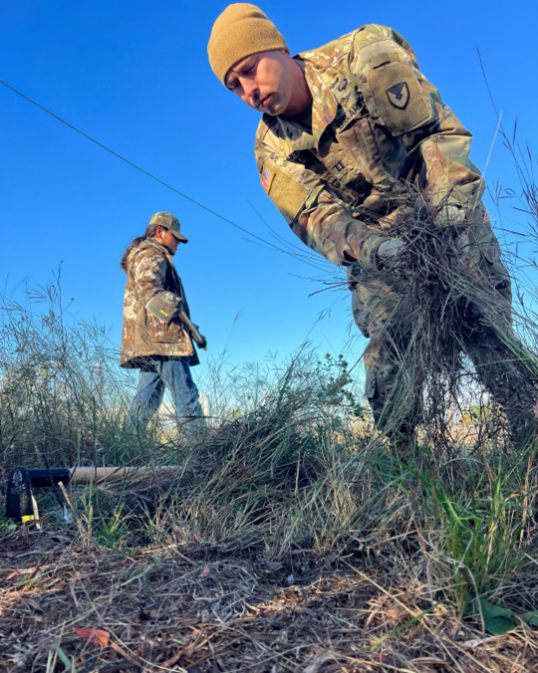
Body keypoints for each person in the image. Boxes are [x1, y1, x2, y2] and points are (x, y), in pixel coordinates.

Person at [207, 4, 537, 447]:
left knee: (485, 326)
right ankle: (406, 467)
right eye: (234, 86)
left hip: (440, 203)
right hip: (376, 247)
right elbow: (321, 220)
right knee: (389, 357)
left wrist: (449, 216)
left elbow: (436, 134)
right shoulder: (272, 151)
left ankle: (529, 439)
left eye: (250, 69)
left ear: (279, 48)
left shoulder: (364, 56)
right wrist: (378, 251)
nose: (249, 90)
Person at [120, 212, 207, 438]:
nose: (178, 242)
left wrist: (191, 328)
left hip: (151, 341)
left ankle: (124, 450)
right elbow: (148, 292)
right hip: (163, 340)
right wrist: (175, 306)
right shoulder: (152, 255)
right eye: (175, 236)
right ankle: (205, 458)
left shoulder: (149, 255)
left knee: (144, 403)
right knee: (186, 398)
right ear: (160, 231)